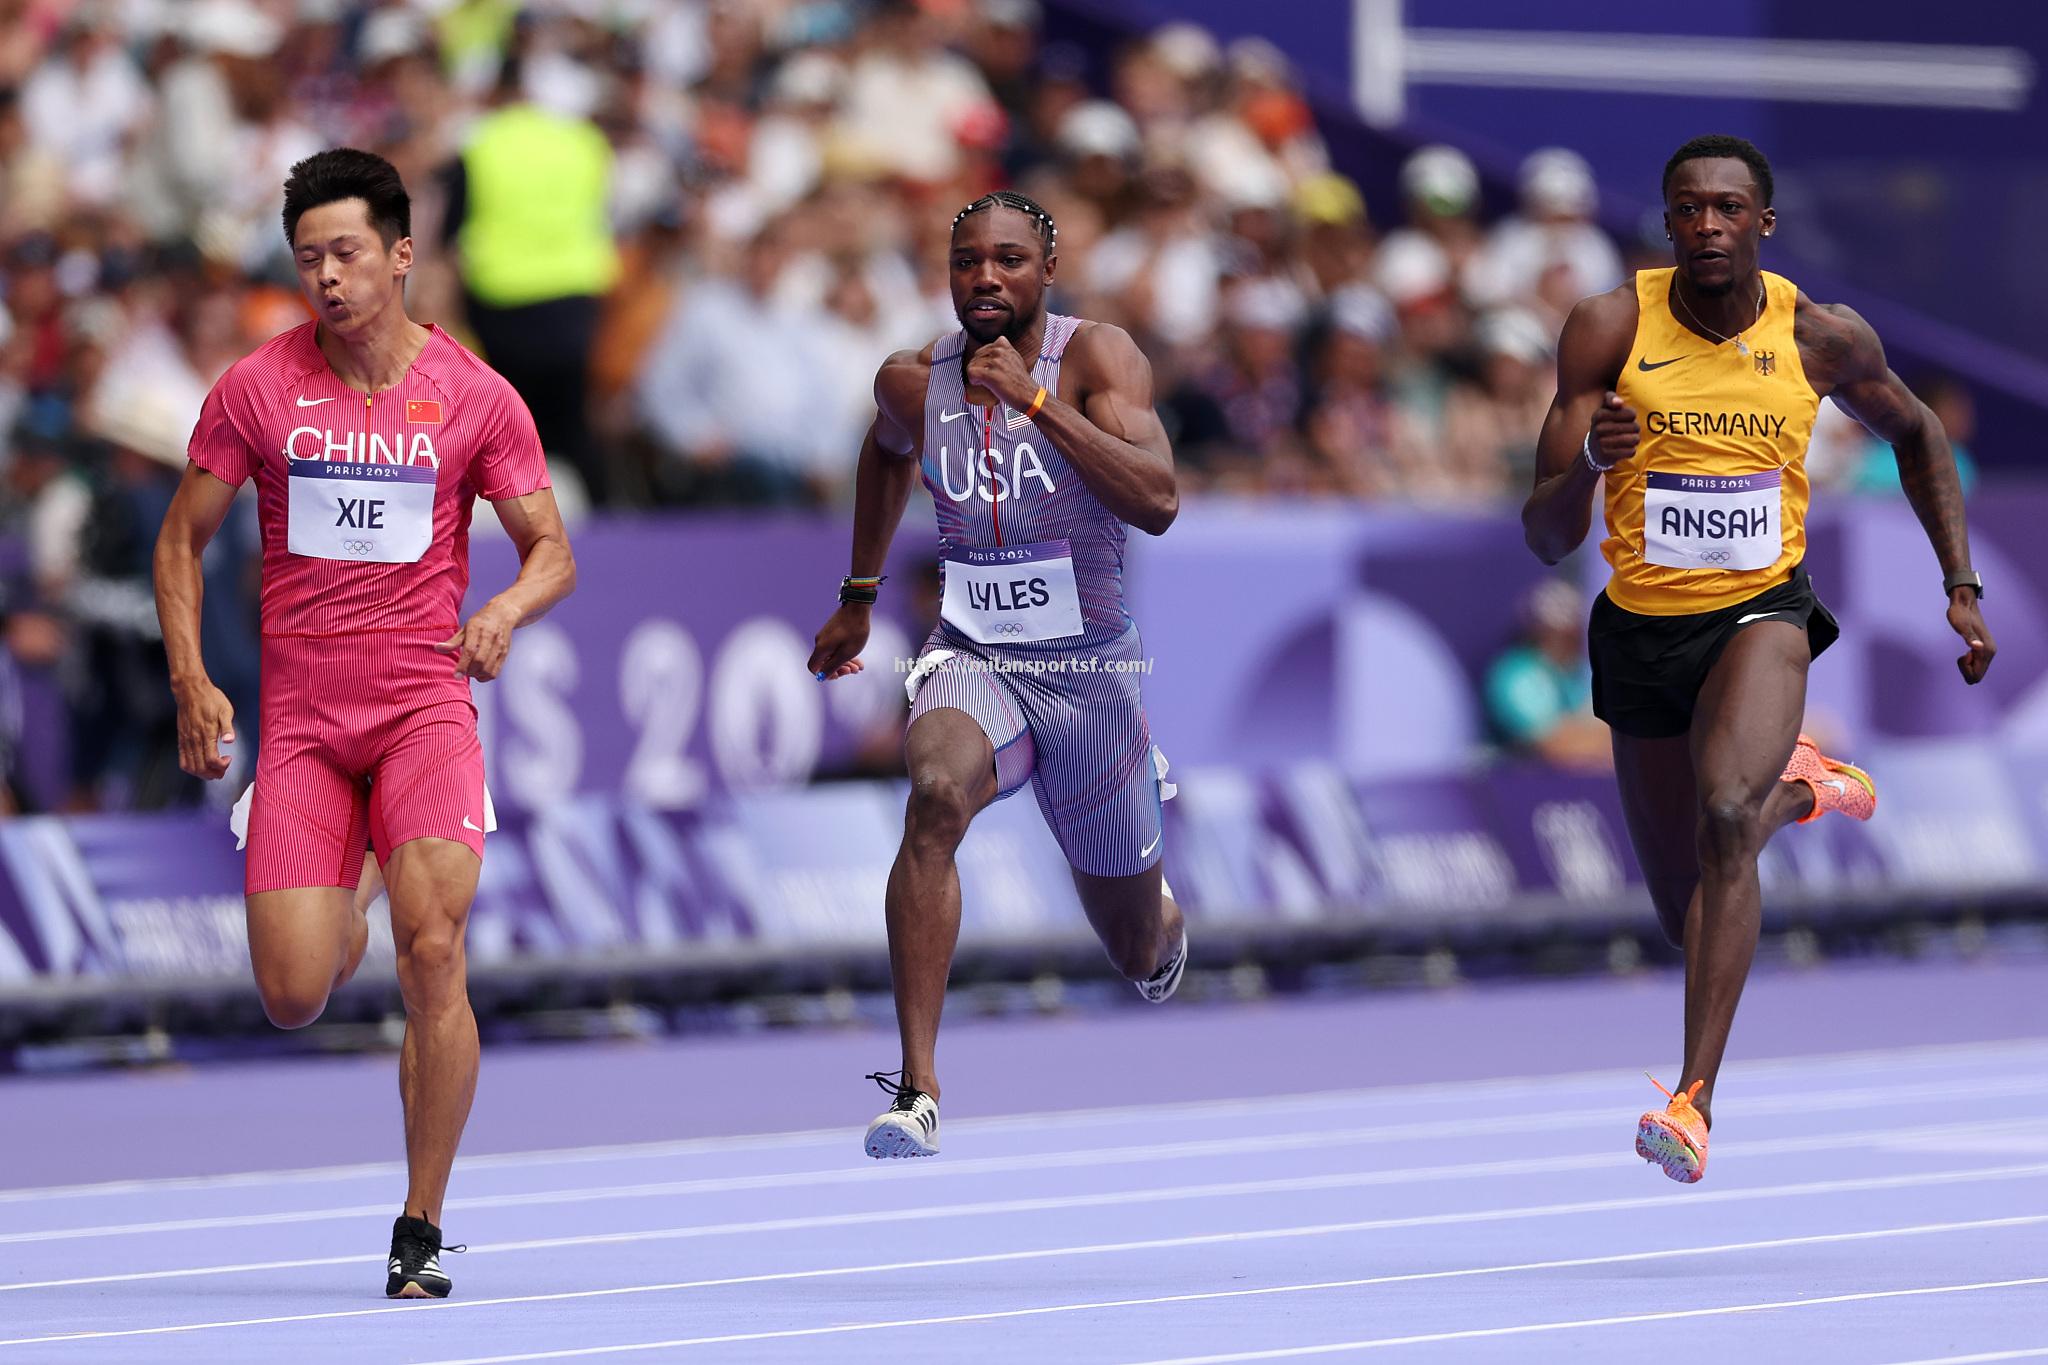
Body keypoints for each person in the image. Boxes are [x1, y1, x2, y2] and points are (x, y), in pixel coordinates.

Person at [1521, 134, 1994, 1184]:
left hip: (1760, 614)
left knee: (1725, 818)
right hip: (1638, 627)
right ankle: (1805, 790)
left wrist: (1958, 586)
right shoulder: (1607, 328)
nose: (1706, 227)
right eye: (1687, 210)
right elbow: (1544, 533)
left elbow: (1916, 437)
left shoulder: (1818, 338)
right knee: (1681, 913)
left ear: (1761, 224)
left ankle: (1690, 1102)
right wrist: (1585, 473)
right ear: (1665, 222)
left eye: (1727, 209)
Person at [152, 148, 575, 1295]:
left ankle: (420, 1226)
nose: (325, 277)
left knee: (435, 954)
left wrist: (503, 609)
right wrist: (191, 679)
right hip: (301, 723)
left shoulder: (475, 396)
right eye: (306, 259)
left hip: (422, 708)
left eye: (344, 253)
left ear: (399, 255)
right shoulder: (256, 387)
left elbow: (551, 552)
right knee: (294, 993)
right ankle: (364, 869)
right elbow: (180, 542)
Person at [807, 191, 1184, 1159]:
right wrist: (858, 590)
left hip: (1093, 679)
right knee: (931, 792)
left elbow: (1156, 501)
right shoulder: (910, 380)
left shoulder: (1098, 359)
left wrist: (1034, 403)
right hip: (973, 655)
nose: (985, 277)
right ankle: (918, 1088)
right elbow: (885, 453)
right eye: (967, 260)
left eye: (1009, 259)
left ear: (1045, 272)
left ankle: (1158, 914)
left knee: (1135, 952)